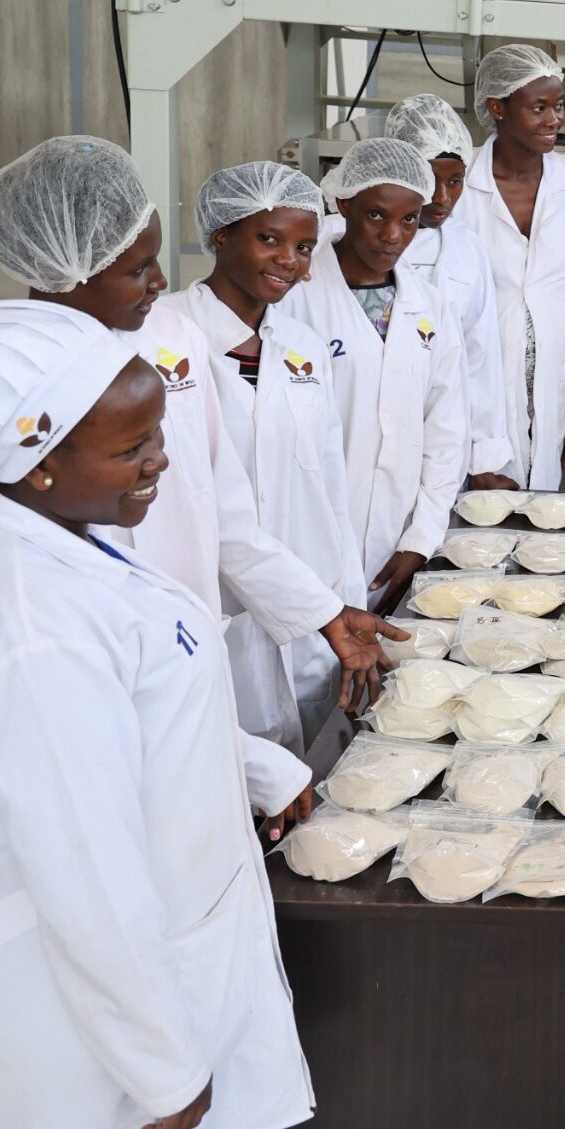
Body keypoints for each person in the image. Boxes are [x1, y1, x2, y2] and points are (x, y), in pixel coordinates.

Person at [0, 137, 397, 927]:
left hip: (180, 686)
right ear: (62, 271)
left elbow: (229, 520)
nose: (162, 283)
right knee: (87, 914)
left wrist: (323, 612)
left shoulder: (173, 345)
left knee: (187, 900)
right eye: (137, 268)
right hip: (65, 727)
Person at [0, 302, 316, 1129]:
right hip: (66, 1014)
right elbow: (84, 870)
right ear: (37, 464)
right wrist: (161, 1059)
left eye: (156, 432)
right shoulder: (29, 623)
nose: (161, 460)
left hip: (130, 984)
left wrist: (261, 768)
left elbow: (139, 711)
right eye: (133, 445)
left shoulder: (71, 544)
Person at [173, 162, 365, 751]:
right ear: (221, 234)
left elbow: (332, 489)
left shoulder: (301, 347)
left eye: (304, 247)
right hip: (212, 606)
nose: (290, 259)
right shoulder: (169, 338)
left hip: (311, 609)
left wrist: (344, 600)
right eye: (270, 239)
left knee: (304, 778)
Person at [285, 138, 469, 612]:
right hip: (304, 535)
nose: (393, 235)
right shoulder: (295, 297)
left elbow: (446, 431)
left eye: (409, 219)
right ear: (344, 204)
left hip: (397, 536)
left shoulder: (429, 305)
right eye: (375, 216)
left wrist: (422, 537)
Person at [452, 44, 565, 490]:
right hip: (475, 395)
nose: (554, 119)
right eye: (539, 108)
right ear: (496, 108)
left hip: (555, 392)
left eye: (558, 106)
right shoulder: (459, 186)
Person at [383, 93, 513, 487]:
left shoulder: (465, 247)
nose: (442, 198)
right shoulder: (348, 242)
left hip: (445, 432)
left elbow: (481, 356)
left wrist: (482, 458)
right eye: (428, 180)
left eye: (455, 182)